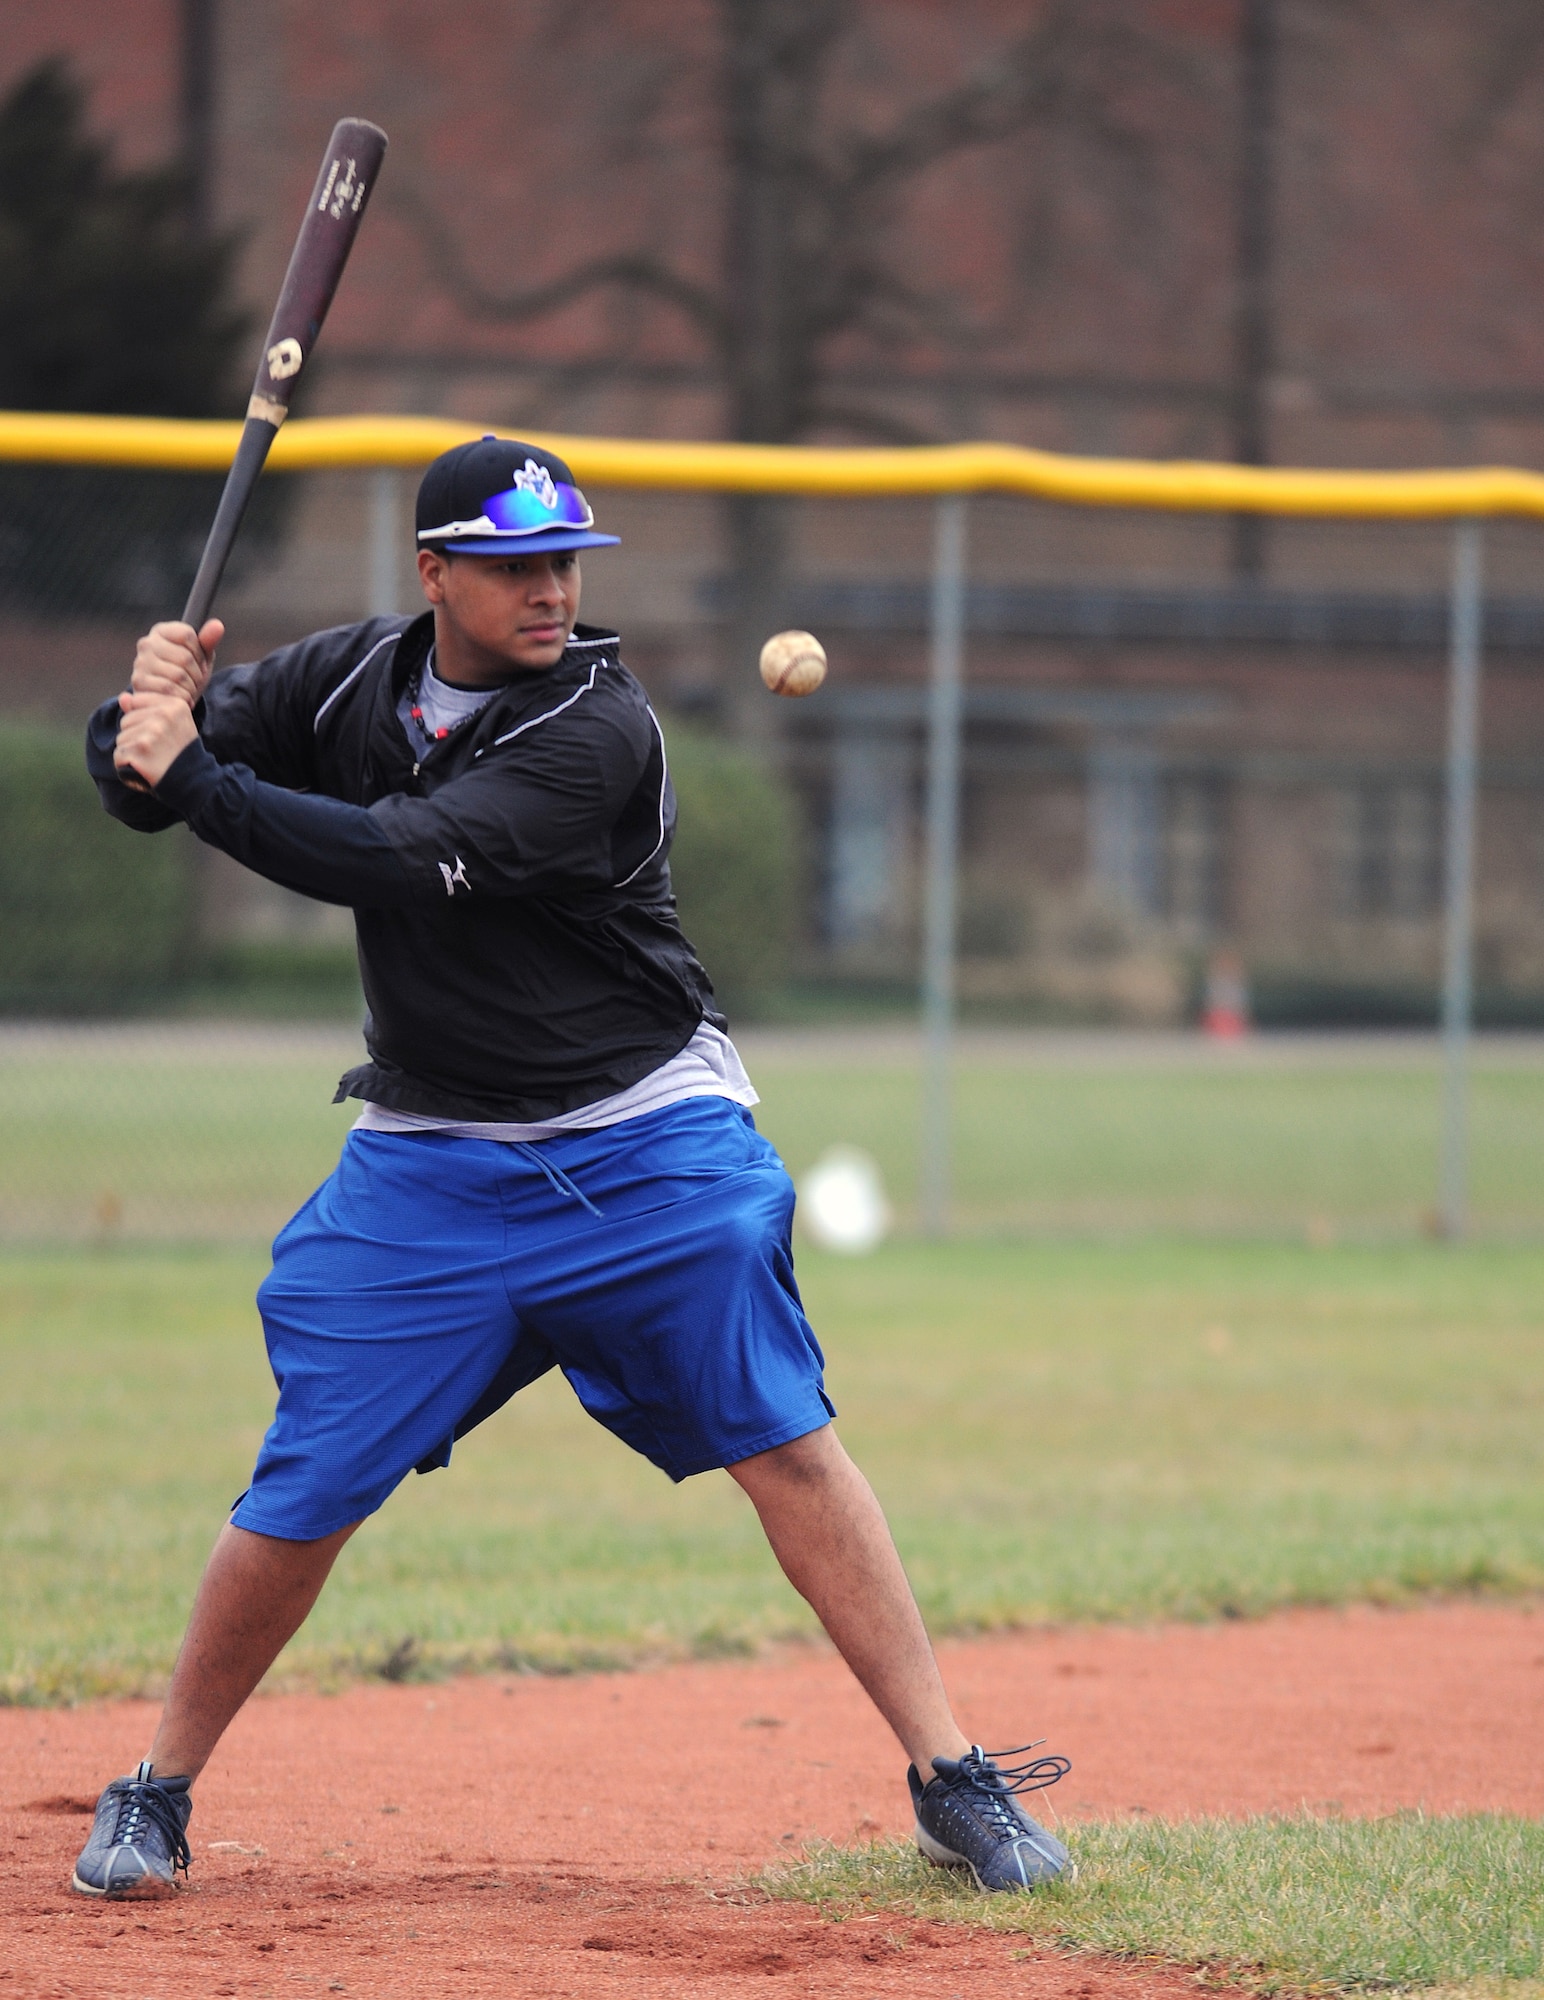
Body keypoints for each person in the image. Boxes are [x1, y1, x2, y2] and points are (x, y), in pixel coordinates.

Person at [74, 436, 1072, 1901]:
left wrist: (196, 777)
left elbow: (399, 857)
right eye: (516, 566)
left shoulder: (596, 727)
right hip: (433, 1155)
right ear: (435, 577)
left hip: (644, 1139)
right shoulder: (347, 676)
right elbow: (142, 781)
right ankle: (154, 1789)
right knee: (308, 1482)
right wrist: (137, 723)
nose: (552, 590)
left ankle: (952, 1775)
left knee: (785, 1440)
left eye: (566, 563)